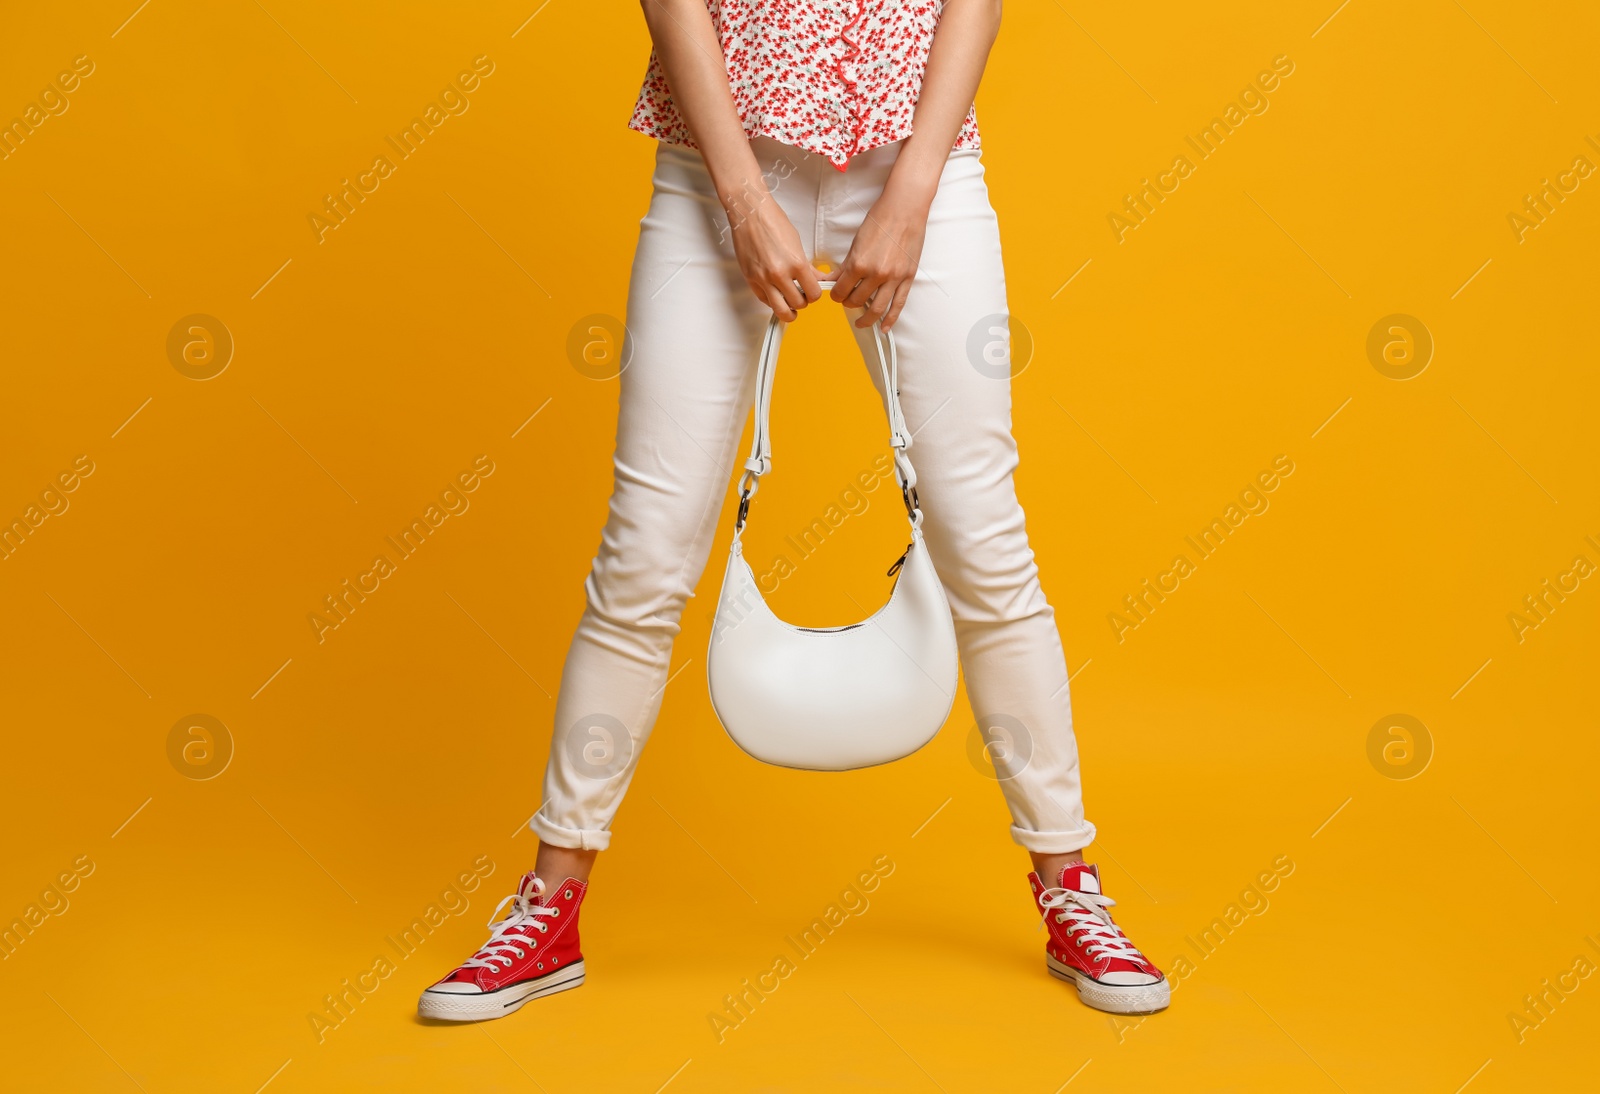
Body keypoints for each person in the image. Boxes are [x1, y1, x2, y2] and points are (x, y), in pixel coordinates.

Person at [418, 0, 1168, 1022]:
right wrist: (738, 195)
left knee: (982, 541)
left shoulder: (920, 181)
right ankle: (549, 907)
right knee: (644, 551)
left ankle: (1069, 885)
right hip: (715, 165)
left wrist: (909, 193)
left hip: (917, 164)